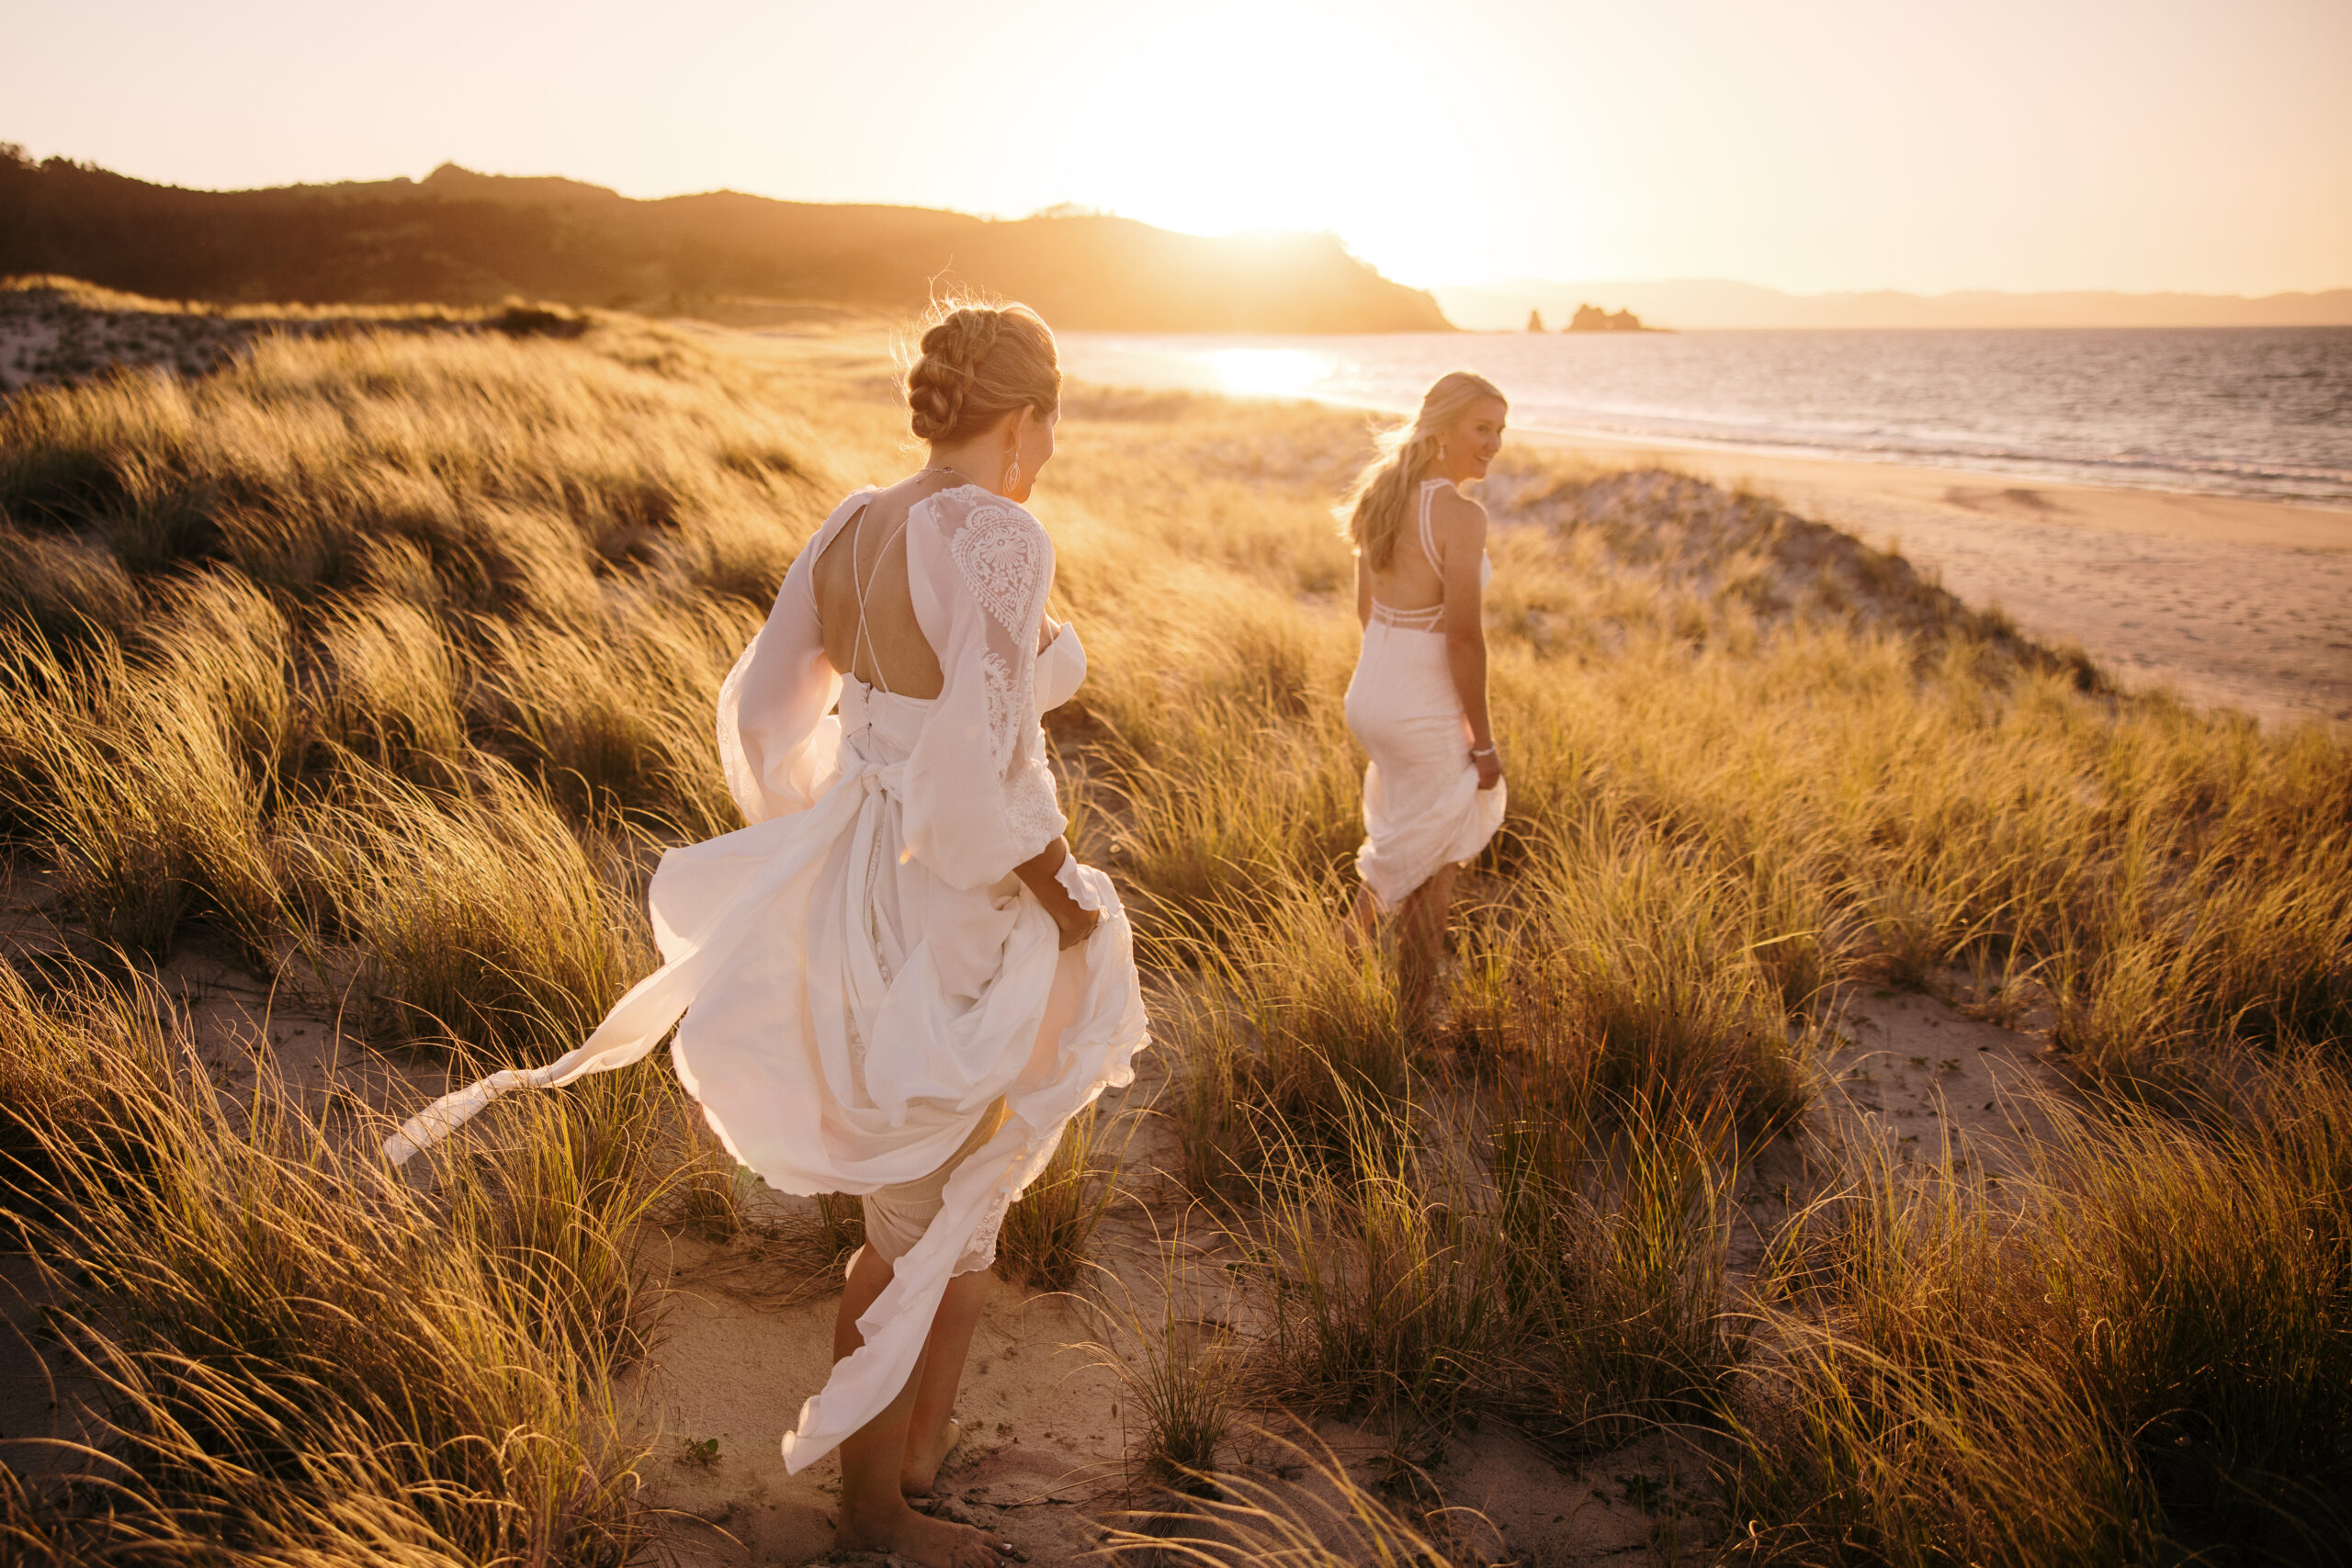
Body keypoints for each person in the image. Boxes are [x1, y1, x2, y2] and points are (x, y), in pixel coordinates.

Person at [384, 302, 1148, 1568]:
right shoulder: (1000, 531)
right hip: (951, 903)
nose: (1047, 456)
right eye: (1047, 430)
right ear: (1027, 418)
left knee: (957, 1205)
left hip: (866, 877)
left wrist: (829, 825)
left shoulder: (853, 522)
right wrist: (1064, 895)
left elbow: (762, 706)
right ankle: (873, 1516)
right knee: (921, 1215)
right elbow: (985, 771)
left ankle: (908, 1459)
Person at [1340, 371, 1510, 1023]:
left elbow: (1366, 607)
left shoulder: (1381, 494)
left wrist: (1389, 683)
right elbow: (1465, 640)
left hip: (1373, 690)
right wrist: (1483, 746)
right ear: (1441, 430)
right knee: (1432, 865)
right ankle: (1409, 1019)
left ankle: (1349, 983)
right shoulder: (1462, 516)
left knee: (1400, 847)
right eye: (1481, 428)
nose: (1493, 444)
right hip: (1419, 704)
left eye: (1500, 430)